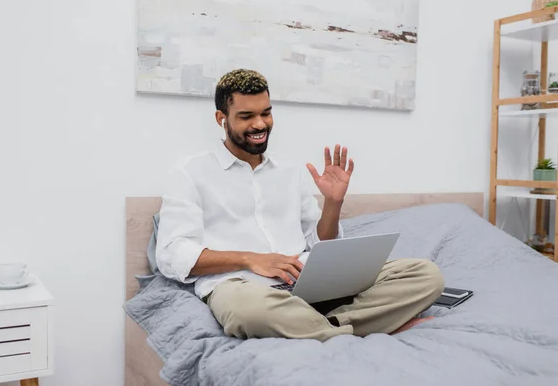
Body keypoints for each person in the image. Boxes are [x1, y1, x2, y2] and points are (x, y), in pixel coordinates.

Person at [155, 69, 444, 342]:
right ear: (222, 117)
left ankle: (320, 326)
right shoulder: (190, 173)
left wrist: (333, 203)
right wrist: (250, 258)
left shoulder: (291, 172)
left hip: (309, 280)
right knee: (248, 313)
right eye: (246, 116)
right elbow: (171, 254)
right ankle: (357, 328)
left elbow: (320, 243)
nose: (260, 124)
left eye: (266, 113)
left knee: (425, 274)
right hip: (245, 288)